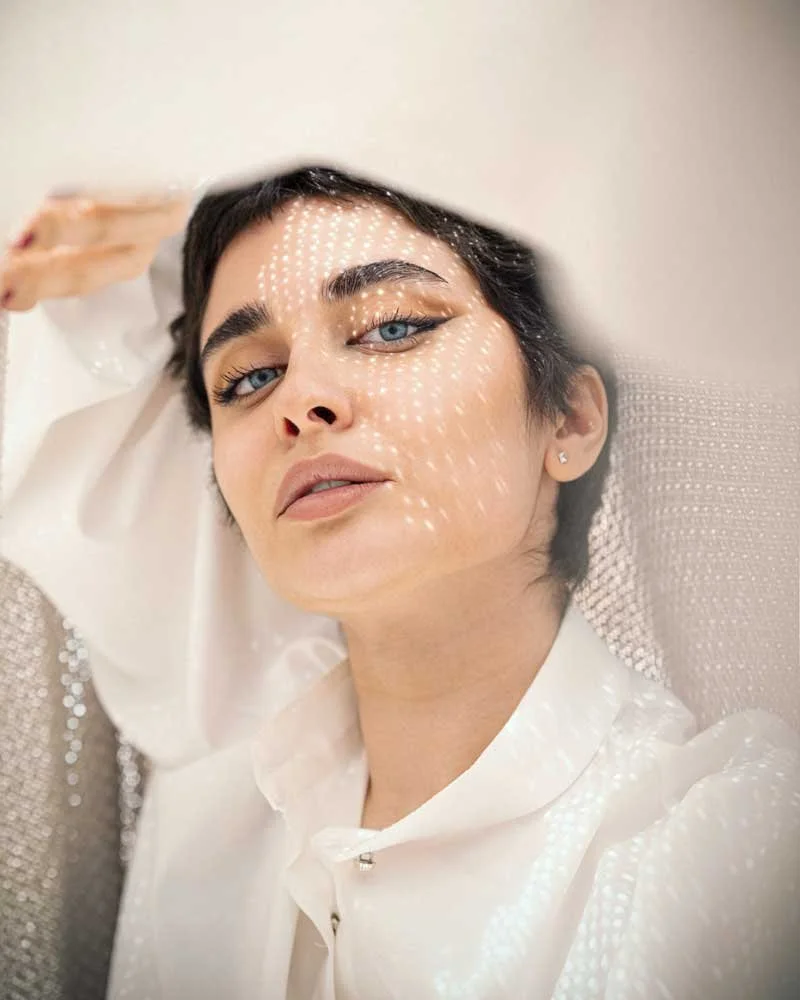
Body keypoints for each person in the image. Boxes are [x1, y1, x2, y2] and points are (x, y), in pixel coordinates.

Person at [1, 165, 798, 999]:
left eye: (390, 328)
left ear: (568, 416)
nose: (300, 402)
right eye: (247, 377)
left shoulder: (736, 853)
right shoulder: (209, 815)